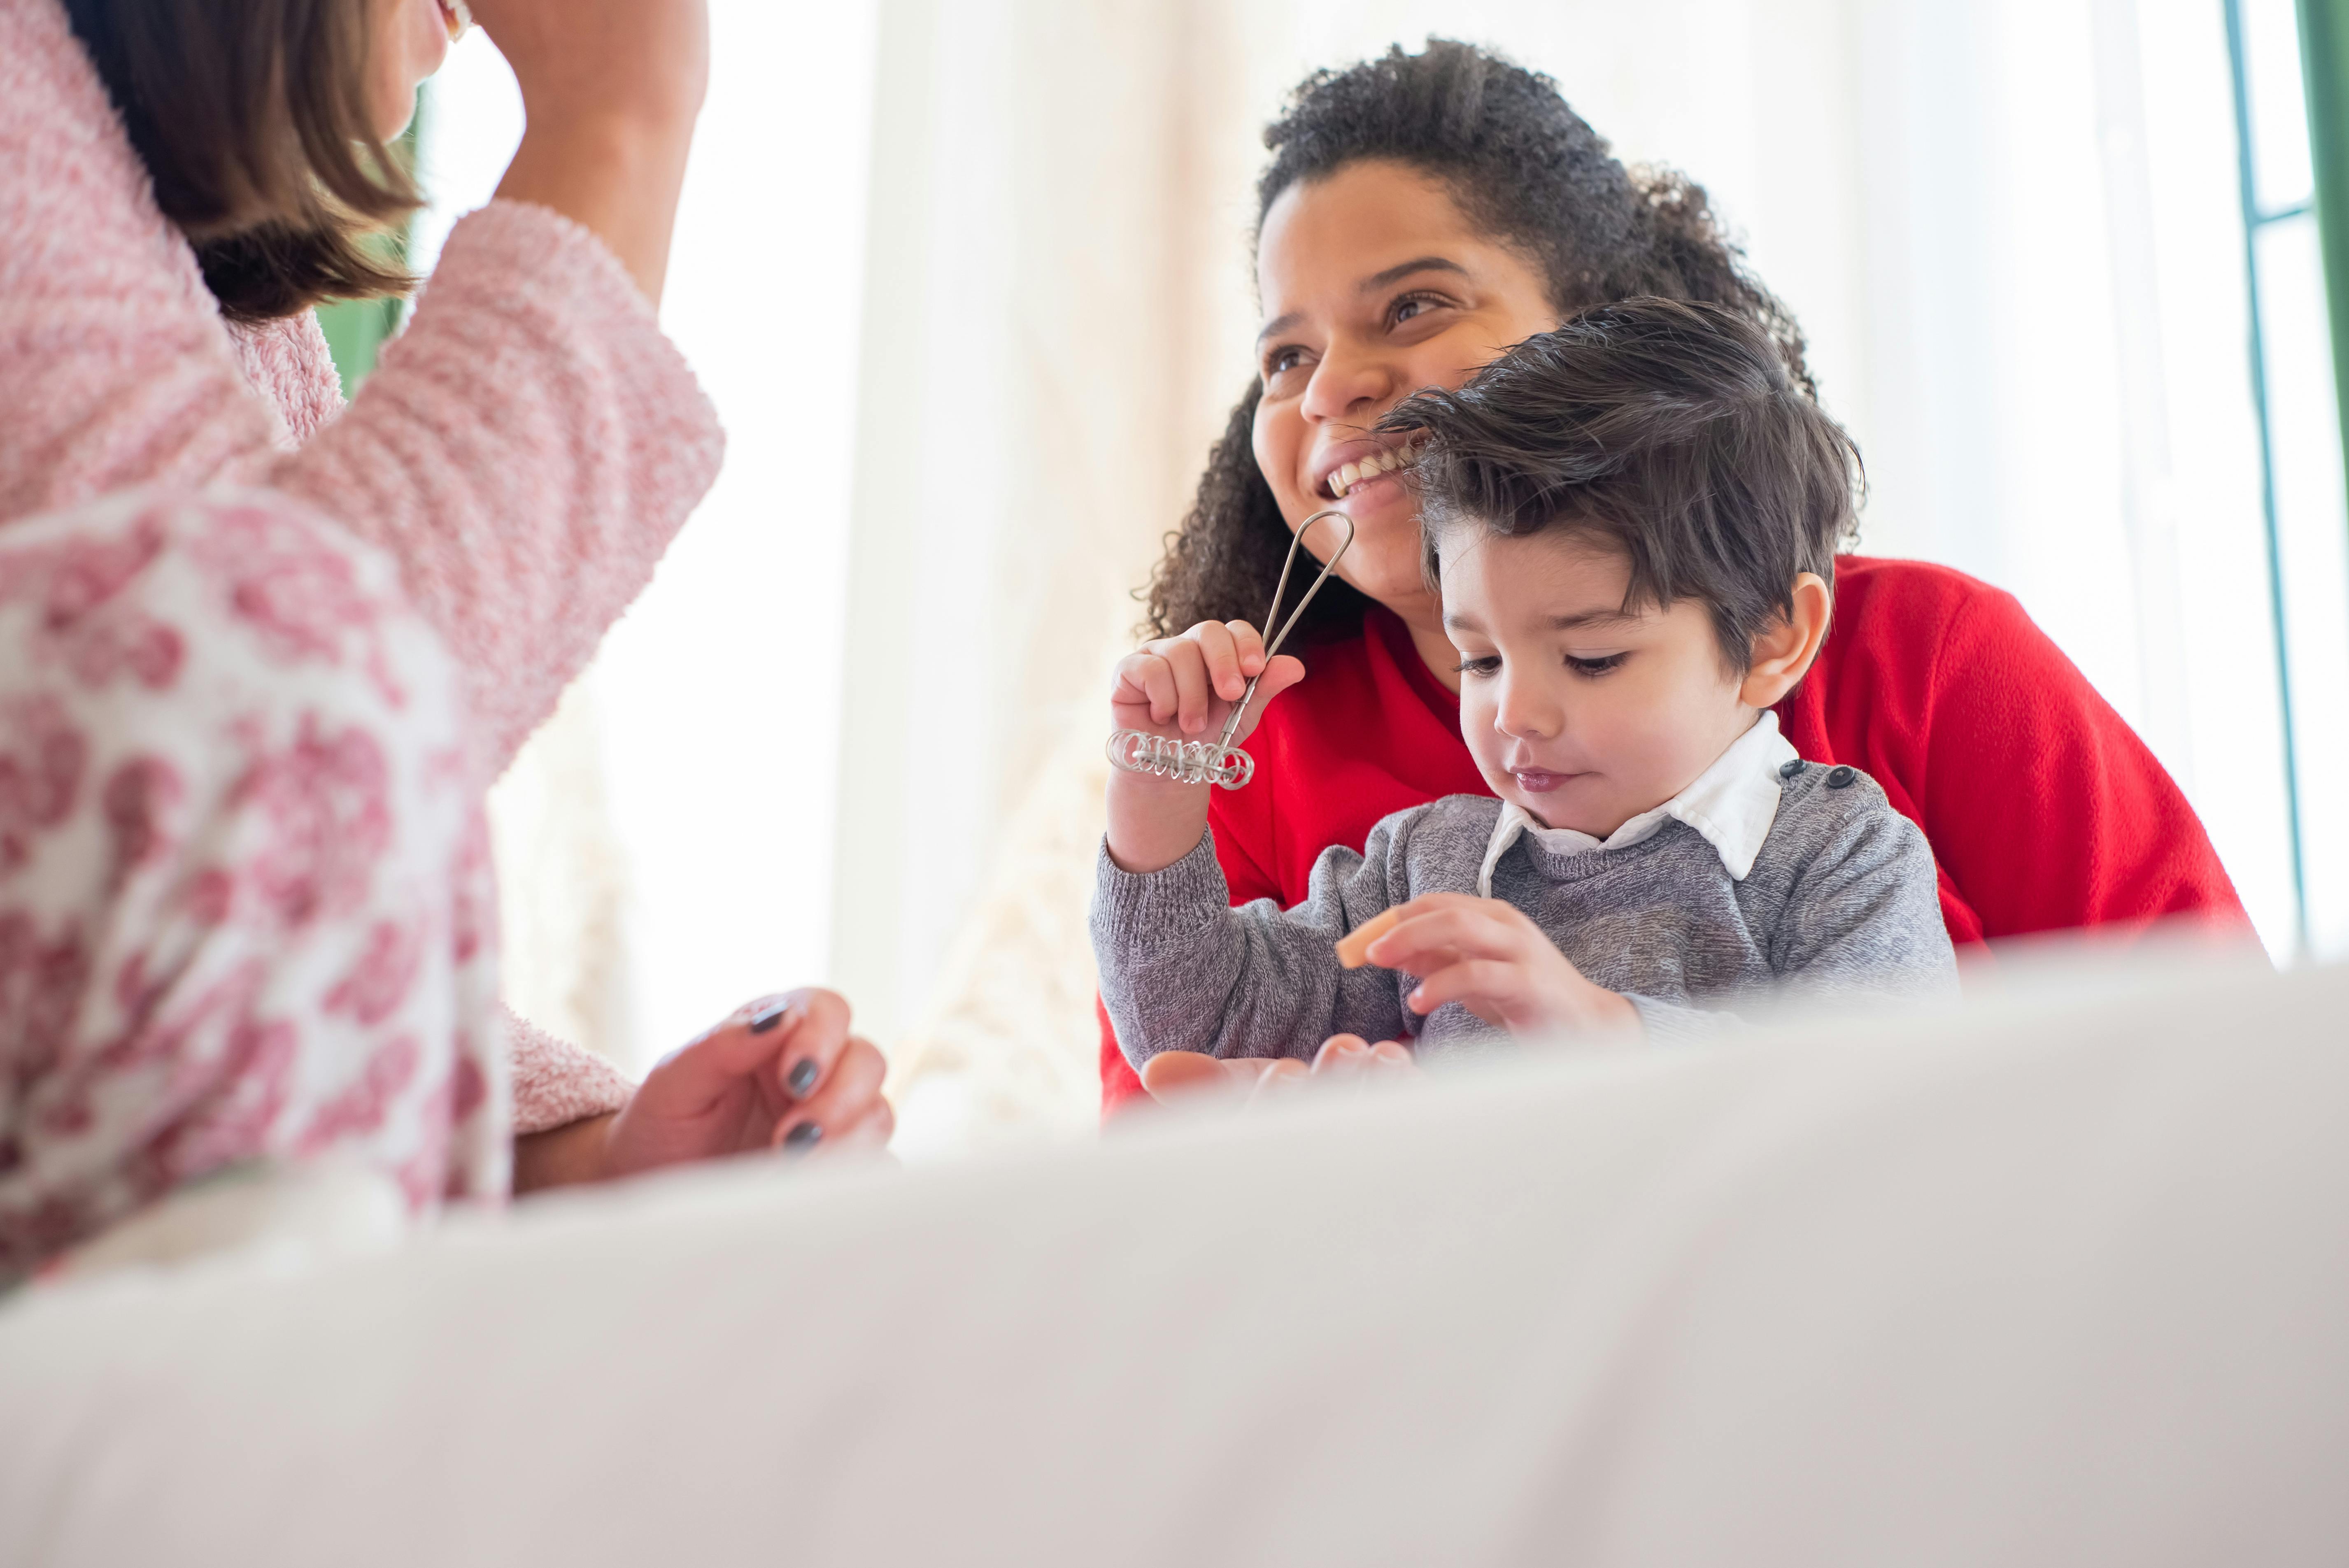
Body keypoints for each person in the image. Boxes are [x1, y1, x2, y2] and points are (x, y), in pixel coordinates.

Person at [1103, 40, 2246, 1112]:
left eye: (1415, 304)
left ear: (1602, 332)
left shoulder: (1912, 696)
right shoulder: (1280, 782)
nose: (1328, 390)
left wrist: (1604, 1030)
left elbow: (2215, 1058)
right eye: (1284, 354)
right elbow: (1170, 1087)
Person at [0, 0, 887, 1274]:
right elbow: (278, 743)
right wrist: (623, 114)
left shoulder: (218, 297)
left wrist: (582, 1169)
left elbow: (261, 915)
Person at [1096, 300, 1956, 1073]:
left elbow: (1891, 1102)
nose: (1514, 714)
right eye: (1481, 661)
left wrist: (1600, 1026)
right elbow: (1196, 1027)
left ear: (1774, 637)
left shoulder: (1839, 854)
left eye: (1591, 659)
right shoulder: (1427, 869)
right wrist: (1156, 801)